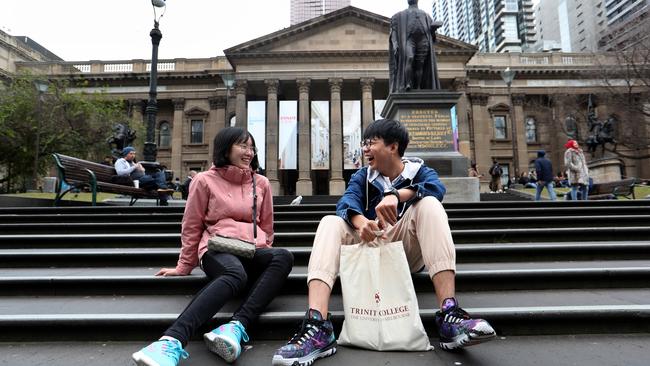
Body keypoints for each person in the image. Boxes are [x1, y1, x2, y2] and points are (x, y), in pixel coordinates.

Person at [272, 119, 495, 366]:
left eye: (371, 142)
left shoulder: (420, 171)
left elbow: (435, 188)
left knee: (431, 204)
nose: (365, 149)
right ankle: (317, 325)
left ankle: (450, 314)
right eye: (364, 143)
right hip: (368, 247)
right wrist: (361, 223)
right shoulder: (362, 176)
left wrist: (396, 195)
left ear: (393, 147)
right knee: (329, 222)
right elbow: (346, 202)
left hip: (405, 250)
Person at [132, 127, 294, 366]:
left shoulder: (260, 183)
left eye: (251, 147)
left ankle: (235, 327)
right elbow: (192, 224)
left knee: (283, 256)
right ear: (225, 148)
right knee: (234, 273)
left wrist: (263, 249)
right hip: (217, 248)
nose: (249, 152)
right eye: (242, 145)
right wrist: (184, 265)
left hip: (251, 249)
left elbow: (267, 226)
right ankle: (170, 341)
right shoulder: (204, 180)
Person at [389, 0, 441, 93]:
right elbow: (394, 31)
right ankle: (408, 83)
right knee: (409, 58)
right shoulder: (398, 16)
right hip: (409, 40)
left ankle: (417, 87)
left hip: (423, 40)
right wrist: (395, 43)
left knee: (420, 65)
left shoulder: (426, 16)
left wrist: (433, 28)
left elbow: (431, 36)